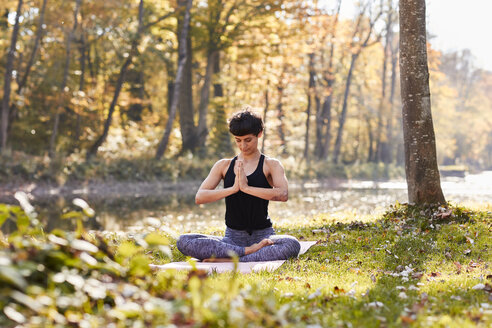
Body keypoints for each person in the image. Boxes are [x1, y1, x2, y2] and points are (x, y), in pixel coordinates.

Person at [176, 109, 301, 262]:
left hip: (264, 237)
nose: (243, 145)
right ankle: (247, 252)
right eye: (238, 140)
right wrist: (233, 189)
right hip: (232, 239)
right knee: (184, 241)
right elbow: (200, 197)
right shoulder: (223, 165)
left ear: (259, 133)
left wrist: (247, 188)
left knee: (291, 244)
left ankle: (233, 259)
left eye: (248, 140)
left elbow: (283, 194)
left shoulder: (271, 165)